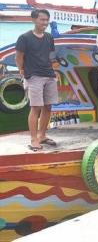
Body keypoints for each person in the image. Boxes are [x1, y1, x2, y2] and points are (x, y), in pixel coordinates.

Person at [15, 9, 59, 151]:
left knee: (48, 107)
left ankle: (42, 136)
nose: (45, 23)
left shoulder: (49, 37)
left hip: (49, 75)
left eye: (47, 20)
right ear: (34, 20)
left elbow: (51, 55)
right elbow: (19, 57)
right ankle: (34, 140)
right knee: (35, 108)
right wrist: (22, 70)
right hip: (33, 76)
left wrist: (55, 71)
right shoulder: (24, 37)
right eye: (42, 20)